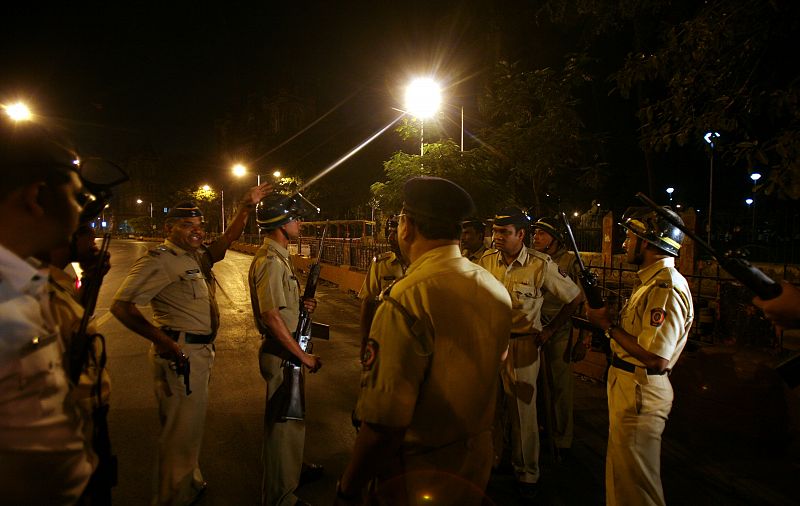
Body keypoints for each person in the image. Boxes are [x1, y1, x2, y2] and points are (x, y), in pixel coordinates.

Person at [336, 177, 512, 506]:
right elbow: (499, 360)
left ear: (407, 226)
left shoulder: (406, 299)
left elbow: (383, 425)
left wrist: (348, 490)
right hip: (474, 467)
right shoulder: (494, 288)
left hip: (418, 475)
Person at [111, 184, 270, 506]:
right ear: (169, 228)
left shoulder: (193, 256)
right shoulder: (159, 261)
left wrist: (244, 207)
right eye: (188, 226)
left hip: (197, 353)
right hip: (180, 355)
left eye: (199, 226)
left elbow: (224, 244)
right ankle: (172, 498)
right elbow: (121, 306)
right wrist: (166, 342)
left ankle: (190, 482)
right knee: (178, 435)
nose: (197, 232)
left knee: (188, 429)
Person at [0, 120, 96, 504]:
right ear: (37, 196)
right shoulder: (8, 306)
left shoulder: (24, 286)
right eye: (75, 197)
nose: (79, 212)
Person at [585, 206, 694, 506]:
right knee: (623, 477)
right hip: (629, 385)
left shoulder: (666, 286)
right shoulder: (650, 281)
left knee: (638, 485)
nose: (623, 243)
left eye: (629, 236)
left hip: (640, 388)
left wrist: (606, 325)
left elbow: (655, 356)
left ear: (647, 241)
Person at [478, 207, 583, 499]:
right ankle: (498, 459)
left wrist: (549, 331)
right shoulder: (486, 261)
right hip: (492, 344)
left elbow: (574, 298)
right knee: (493, 409)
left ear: (520, 235)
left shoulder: (540, 264)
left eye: (504, 232)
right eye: (495, 232)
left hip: (524, 344)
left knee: (523, 411)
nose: (496, 237)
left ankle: (527, 473)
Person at [248, 192, 323, 506]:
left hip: (288, 351)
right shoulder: (269, 261)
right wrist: (303, 356)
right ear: (281, 223)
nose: (300, 223)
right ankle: (281, 498)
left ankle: (290, 474)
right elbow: (270, 315)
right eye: (296, 218)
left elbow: (283, 306)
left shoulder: (280, 256)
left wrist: (302, 305)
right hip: (283, 354)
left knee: (291, 424)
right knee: (282, 428)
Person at [531, 216, 589, 458]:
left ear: (554, 238)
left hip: (559, 329)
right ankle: (544, 428)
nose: (536, 237)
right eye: (535, 233)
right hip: (535, 329)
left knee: (560, 387)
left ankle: (562, 438)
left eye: (542, 234)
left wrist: (583, 339)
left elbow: (583, 301)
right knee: (536, 385)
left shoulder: (571, 261)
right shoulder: (534, 260)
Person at [357, 215, 407, 359]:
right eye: (389, 233)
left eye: (395, 232)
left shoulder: (420, 264)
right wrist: (364, 342)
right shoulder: (380, 264)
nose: (390, 237)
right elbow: (367, 302)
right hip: (384, 338)